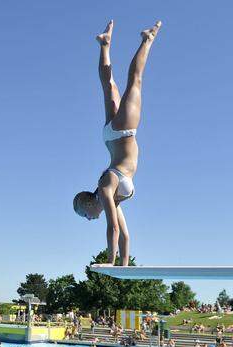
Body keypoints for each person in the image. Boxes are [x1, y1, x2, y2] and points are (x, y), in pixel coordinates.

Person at [73, 20, 163, 265]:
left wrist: (110, 261)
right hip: (112, 136)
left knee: (135, 80)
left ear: (88, 203)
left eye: (85, 215)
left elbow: (112, 227)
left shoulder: (105, 189)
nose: (89, 219)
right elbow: (124, 233)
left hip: (124, 132)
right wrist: (124, 266)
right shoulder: (110, 197)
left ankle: (148, 39)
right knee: (108, 86)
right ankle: (104, 44)